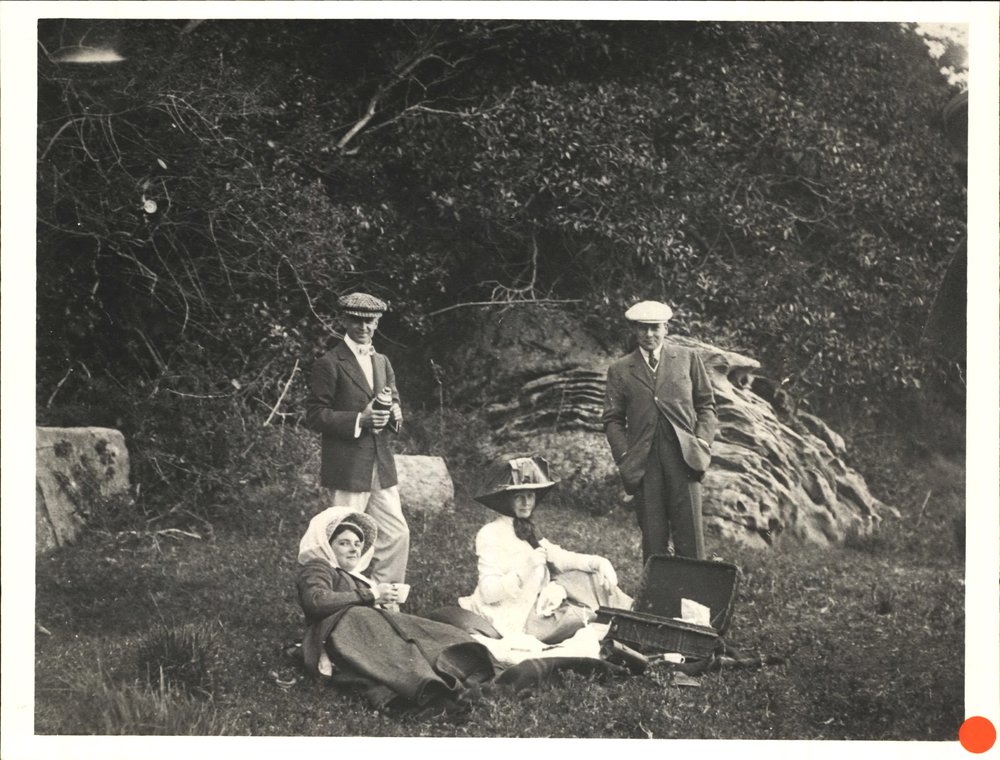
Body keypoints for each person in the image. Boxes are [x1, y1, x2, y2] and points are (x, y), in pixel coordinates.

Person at [295, 507, 496, 711]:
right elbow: (316, 601)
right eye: (344, 543)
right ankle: (433, 692)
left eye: (357, 544)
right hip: (343, 635)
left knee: (436, 632)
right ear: (327, 546)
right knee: (383, 638)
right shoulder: (319, 566)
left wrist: (383, 605)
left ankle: (470, 678)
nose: (353, 549)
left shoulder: (358, 578)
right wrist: (372, 595)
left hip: (366, 632)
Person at [458, 454, 633, 647]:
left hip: (539, 602)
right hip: (515, 617)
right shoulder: (490, 533)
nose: (526, 503)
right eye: (519, 497)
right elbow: (488, 593)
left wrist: (598, 562)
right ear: (505, 500)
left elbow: (559, 557)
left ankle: (635, 617)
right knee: (585, 618)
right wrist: (524, 570)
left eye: (530, 496)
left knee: (591, 577)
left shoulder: (527, 529)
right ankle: (626, 626)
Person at [304, 292, 408, 585]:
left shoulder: (382, 362)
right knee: (343, 537)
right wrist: (359, 420)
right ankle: (337, 596)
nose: (363, 327)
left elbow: (392, 400)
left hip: (381, 464)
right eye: (356, 320)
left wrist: (394, 413)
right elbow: (315, 415)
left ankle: (387, 599)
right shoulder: (329, 363)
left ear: (377, 322)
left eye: (369, 321)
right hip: (348, 465)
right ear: (344, 321)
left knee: (397, 533)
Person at [602, 300, 718, 562]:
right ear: (635, 330)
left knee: (691, 538)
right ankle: (657, 589)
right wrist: (624, 455)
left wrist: (702, 442)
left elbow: (707, 405)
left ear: (666, 327)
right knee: (654, 540)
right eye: (643, 328)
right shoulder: (620, 369)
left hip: (684, 459)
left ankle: (694, 589)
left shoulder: (687, 358)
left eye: (655, 327)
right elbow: (612, 419)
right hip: (645, 463)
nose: (649, 334)